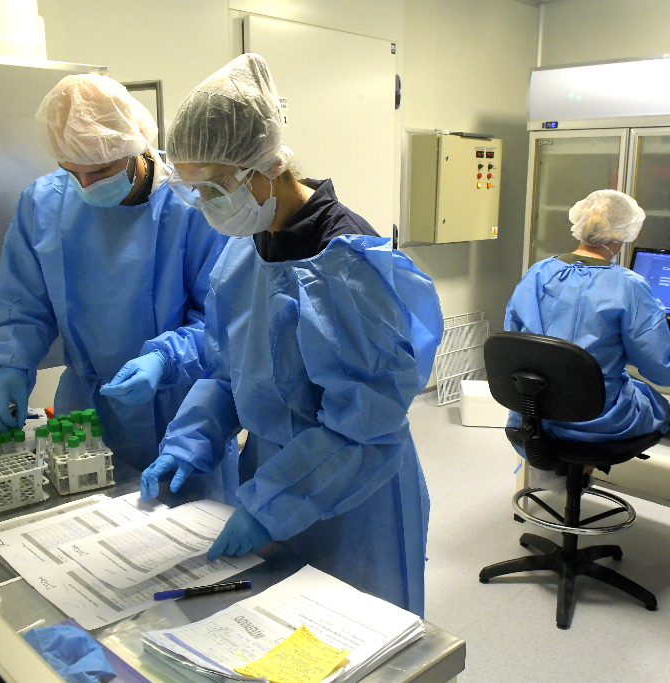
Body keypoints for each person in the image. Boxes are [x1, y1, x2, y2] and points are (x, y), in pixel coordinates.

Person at [129, 54, 443, 616]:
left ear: (265, 165)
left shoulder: (347, 267)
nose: (205, 204)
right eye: (193, 189)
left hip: (355, 498)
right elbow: (227, 372)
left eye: (214, 187)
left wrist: (272, 504)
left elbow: (364, 425)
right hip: (275, 482)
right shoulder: (244, 251)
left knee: (352, 648)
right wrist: (189, 442)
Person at [0, 74, 235, 500]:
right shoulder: (42, 203)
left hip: (181, 411)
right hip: (87, 411)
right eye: (70, 171)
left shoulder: (192, 205)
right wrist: (8, 368)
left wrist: (164, 361)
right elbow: (21, 304)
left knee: (190, 538)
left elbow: (221, 319)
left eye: (100, 171)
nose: (85, 186)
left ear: (136, 146)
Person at [505, 190, 670, 488]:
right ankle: (582, 467)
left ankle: (564, 472)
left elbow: (513, 344)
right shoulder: (629, 287)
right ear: (624, 234)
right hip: (595, 422)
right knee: (657, 405)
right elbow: (664, 371)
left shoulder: (538, 273)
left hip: (532, 412)